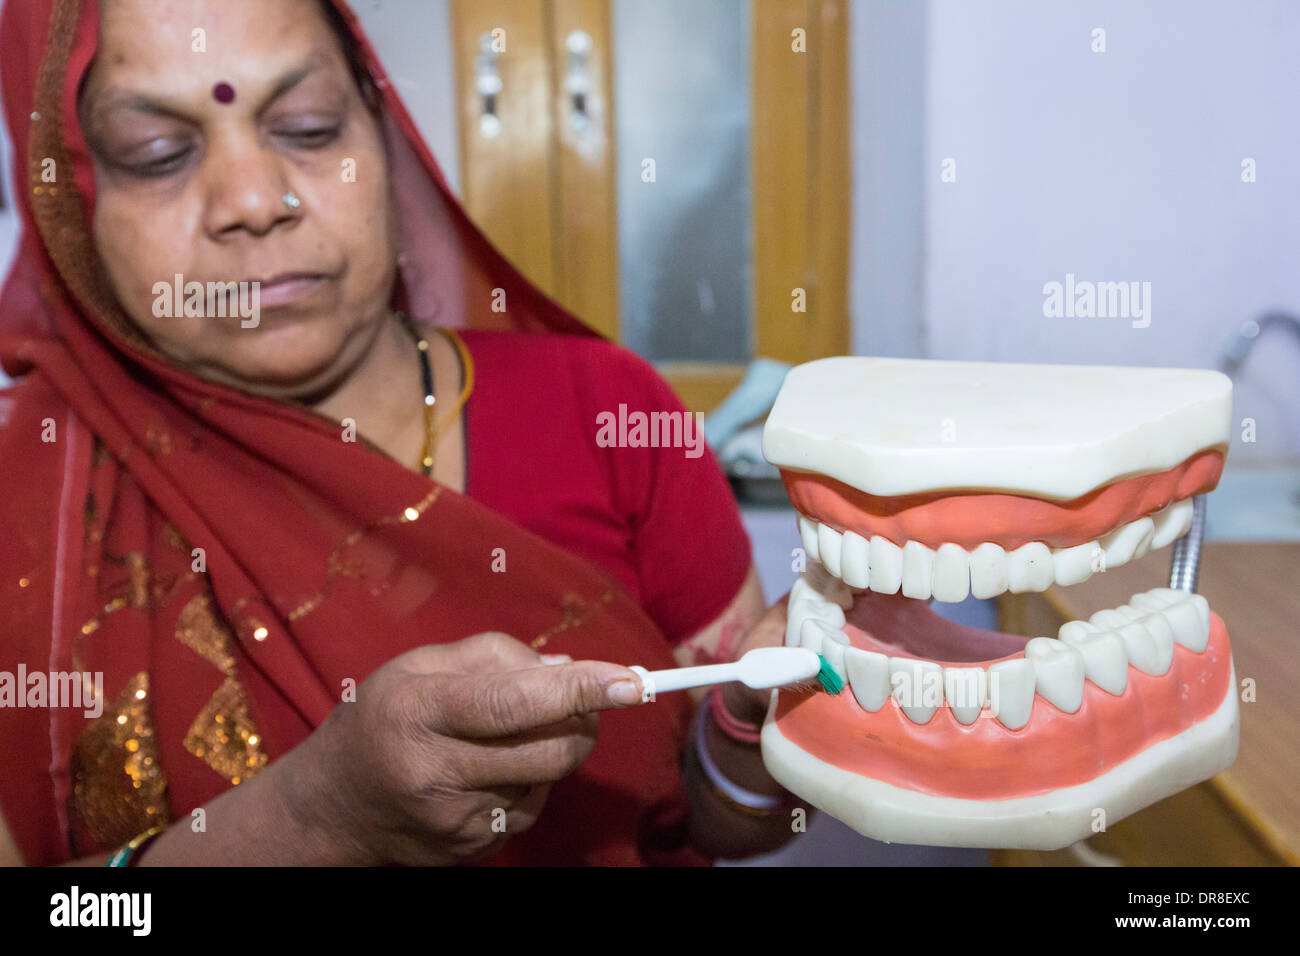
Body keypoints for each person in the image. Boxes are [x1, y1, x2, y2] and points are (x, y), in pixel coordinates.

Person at [0, 0, 802, 866]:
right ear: (69, 206)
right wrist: (312, 821)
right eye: (158, 155)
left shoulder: (612, 413)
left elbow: (717, 820)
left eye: (307, 129)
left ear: (383, 140)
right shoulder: (30, 507)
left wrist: (748, 728)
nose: (254, 200)